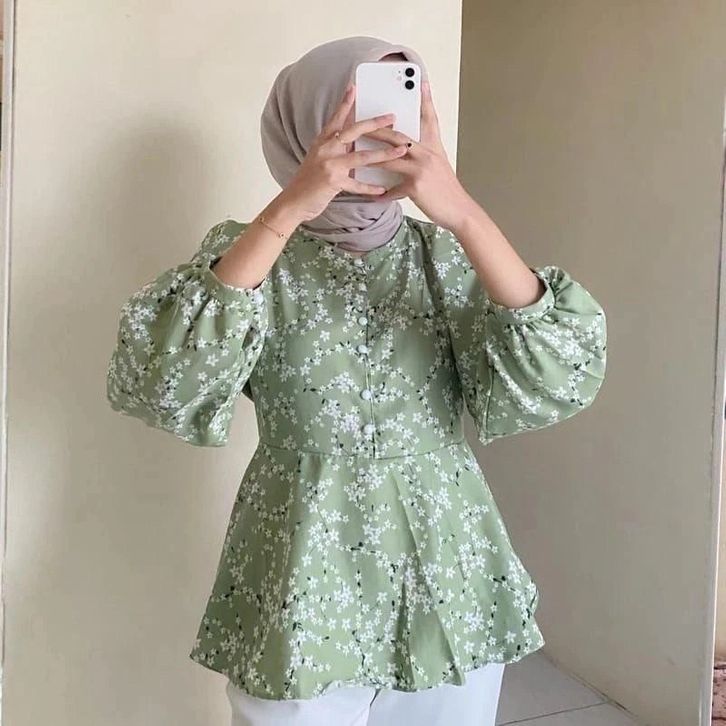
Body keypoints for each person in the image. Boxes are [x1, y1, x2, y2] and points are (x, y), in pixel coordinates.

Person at [105, 36, 607, 726]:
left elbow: (559, 372)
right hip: (301, 565)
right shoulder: (251, 255)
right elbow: (165, 381)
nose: (383, 131)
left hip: (446, 567)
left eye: (402, 108)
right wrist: (290, 207)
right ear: (305, 126)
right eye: (358, 111)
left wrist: (461, 210)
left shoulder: (446, 255)